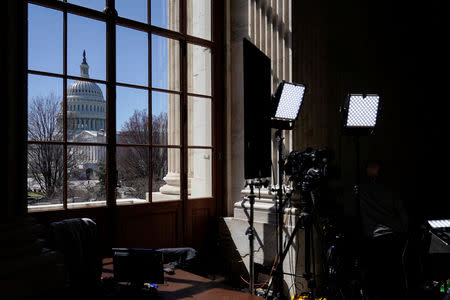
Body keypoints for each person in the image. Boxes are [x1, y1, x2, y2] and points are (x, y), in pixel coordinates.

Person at [358, 159, 409, 300]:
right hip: (392, 237)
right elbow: (401, 212)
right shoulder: (390, 188)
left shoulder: (361, 189)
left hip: (373, 238)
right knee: (393, 275)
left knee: (375, 275)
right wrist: (405, 231)